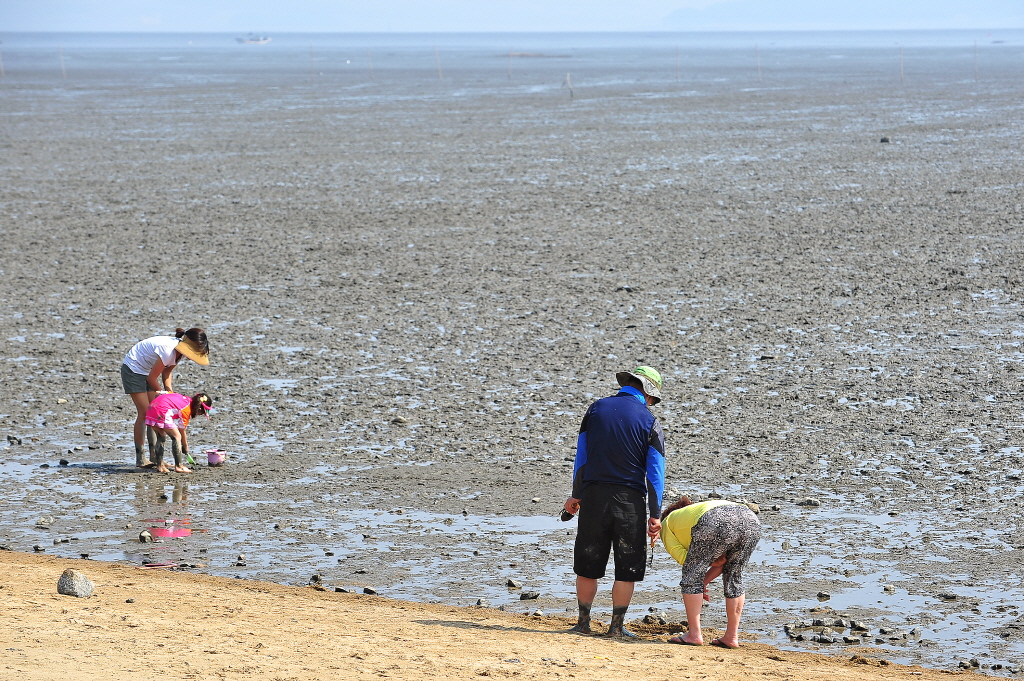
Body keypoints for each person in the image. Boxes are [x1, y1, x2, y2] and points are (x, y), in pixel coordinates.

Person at [563, 366, 666, 638]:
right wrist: (655, 515)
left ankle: (583, 624)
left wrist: (577, 494)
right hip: (629, 502)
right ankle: (616, 628)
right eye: (653, 398)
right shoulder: (649, 420)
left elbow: (581, 458)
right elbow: (655, 474)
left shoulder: (595, 410)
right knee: (627, 569)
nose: (652, 402)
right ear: (647, 391)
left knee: (588, 564)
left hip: (594, 496)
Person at [660, 495, 762, 648]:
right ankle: (731, 637)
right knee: (734, 577)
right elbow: (723, 563)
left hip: (715, 520)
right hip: (751, 519)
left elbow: (686, 561)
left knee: (691, 576)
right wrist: (704, 581)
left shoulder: (666, 523)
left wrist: (698, 581)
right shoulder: (694, 512)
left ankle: (694, 634)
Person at [120, 327, 210, 468]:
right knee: (145, 414)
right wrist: (161, 393)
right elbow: (152, 378)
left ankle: (155, 457)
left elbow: (167, 372)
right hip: (133, 368)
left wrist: (169, 392)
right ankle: (140, 458)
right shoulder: (168, 350)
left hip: (148, 370)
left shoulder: (180, 352)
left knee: (154, 413)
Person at [144, 392, 213, 473]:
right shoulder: (187, 409)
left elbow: (158, 394)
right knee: (177, 437)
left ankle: (160, 466)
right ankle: (179, 466)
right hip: (163, 411)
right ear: (199, 409)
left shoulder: (185, 399)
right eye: (202, 413)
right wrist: (185, 446)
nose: (200, 415)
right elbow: (181, 430)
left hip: (151, 409)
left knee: (161, 437)